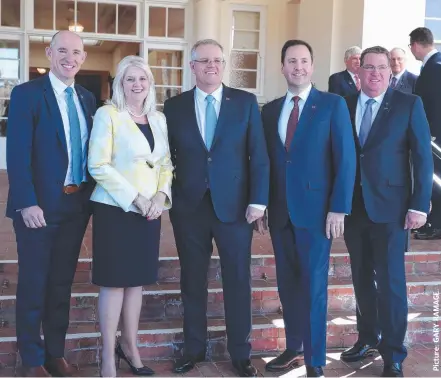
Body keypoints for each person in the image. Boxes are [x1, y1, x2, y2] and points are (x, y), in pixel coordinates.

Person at [163, 39, 269, 377]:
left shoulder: (246, 102)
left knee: (237, 279)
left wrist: (258, 200)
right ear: (192, 66)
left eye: (218, 60)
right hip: (189, 207)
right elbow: (165, 158)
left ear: (224, 65)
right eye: (204, 60)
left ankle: (241, 353)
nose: (211, 66)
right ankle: (194, 349)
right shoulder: (174, 106)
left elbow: (259, 156)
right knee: (192, 280)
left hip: (235, 208)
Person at [259, 39, 356, 378]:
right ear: (282, 67)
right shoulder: (270, 110)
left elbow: (345, 160)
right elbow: (268, 163)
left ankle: (315, 362)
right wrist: (265, 205)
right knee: (287, 285)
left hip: (317, 214)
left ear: (312, 66)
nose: (297, 67)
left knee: (314, 286)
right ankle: (294, 346)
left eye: (303, 61)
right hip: (281, 213)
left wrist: (339, 208)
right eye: (291, 61)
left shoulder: (332, 105)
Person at [5, 30, 96, 377]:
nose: (69, 57)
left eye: (76, 52)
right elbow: (17, 154)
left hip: (75, 207)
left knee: (61, 284)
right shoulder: (27, 94)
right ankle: (31, 360)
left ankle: (54, 353)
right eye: (62, 50)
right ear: (49, 53)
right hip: (38, 209)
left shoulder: (88, 99)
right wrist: (26, 203)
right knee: (33, 283)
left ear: (83, 57)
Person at [340, 46, 433, 378]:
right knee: (362, 278)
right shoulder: (344, 104)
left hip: (392, 211)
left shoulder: (409, 105)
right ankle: (367, 337)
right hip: (352, 209)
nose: (375, 73)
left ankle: (393, 353)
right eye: (369, 67)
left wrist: (419, 205)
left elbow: (423, 159)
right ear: (359, 71)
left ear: (389, 72)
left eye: (381, 67)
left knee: (392, 283)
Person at [88, 55, 173, 377]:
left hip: (150, 211)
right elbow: (98, 164)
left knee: (136, 283)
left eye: (142, 79)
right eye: (130, 79)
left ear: (150, 83)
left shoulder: (158, 119)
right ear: (120, 84)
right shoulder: (108, 115)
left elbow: (164, 164)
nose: (137, 85)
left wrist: (161, 196)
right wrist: (135, 198)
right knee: (114, 283)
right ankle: (108, 356)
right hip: (116, 209)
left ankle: (131, 348)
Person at [409, 27, 441, 240]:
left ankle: (435, 224)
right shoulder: (433, 64)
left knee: (435, 180)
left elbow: (437, 104)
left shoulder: (435, 67)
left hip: (435, 138)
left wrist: (432, 135)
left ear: (415, 45)